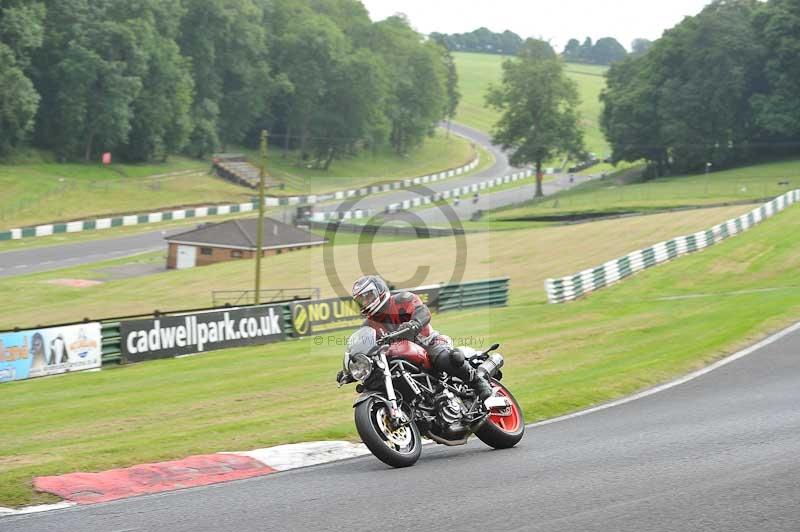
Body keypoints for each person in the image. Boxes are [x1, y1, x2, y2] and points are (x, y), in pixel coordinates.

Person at [351, 275, 493, 400]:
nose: (366, 302)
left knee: (445, 359)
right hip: (396, 356)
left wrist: (415, 323)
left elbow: (422, 311)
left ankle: (477, 381)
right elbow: (362, 346)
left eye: (368, 296)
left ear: (379, 291)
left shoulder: (402, 300)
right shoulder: (368, 325)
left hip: (427, 342)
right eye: (361, 300)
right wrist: (351, 366)